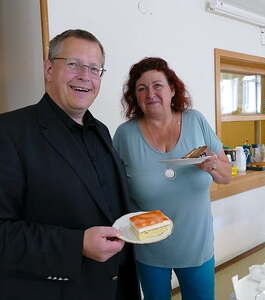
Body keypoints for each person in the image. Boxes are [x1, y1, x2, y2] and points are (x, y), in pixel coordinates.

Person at [0, 29, 141, 300]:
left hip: (117, 287)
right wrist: (76, 245)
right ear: (49, 68)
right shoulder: (9, 132)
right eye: (74, 64)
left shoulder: (101, 130)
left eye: (94, 68)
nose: (85, 76)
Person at [113, 57, 231, 300]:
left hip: (196, 245)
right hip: (149, 247)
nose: (150, 94)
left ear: (172, 89)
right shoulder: (125, 135)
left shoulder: (196, 121)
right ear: (134, 96)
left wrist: (214, 166)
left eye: (157, 85)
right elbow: (114, 187)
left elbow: (226, 176)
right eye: (141, 88)